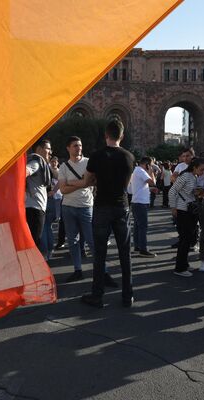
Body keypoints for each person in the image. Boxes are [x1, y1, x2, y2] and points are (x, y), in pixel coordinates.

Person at [79, 120, 135, 308]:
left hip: (102, 206)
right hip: (122, 206)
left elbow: (87, 181)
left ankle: (97, 295)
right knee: (124, 252)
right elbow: (126, 184)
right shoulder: (129, 157)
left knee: (100, 253)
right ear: (122, 136)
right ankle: (128, 296)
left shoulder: (96, 156)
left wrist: (99, 180)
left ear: (106, 135)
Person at [58, 136, 117, 287]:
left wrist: (73, 182)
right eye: (75, 146)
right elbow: (63, 190)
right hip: (68, 207)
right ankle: (77, 270)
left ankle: (103, 272)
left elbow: (93, 181)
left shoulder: (89, 162)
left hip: (86, 206)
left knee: (92, 241)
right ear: (68, 148)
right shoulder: (64, 166)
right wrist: (82, 183)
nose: (78, 148)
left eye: (80, 145)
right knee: (73, 241)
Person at [169, 158, 204, 277]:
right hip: (182, 210)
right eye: (201, 169)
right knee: (185, 239)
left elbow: (188, 193)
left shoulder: (193, 176)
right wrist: (173, 208)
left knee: (188, 238)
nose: (203, 172)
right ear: (194, 167)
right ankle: (180, 268)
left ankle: (184, 264)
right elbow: (172, 191)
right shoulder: (186, 176)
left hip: (189, 210)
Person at [25, 139, 53, 247]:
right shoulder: (36, 162)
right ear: (39, 149)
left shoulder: (41, 164)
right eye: (48, 148)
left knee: (34, 242)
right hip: (34, 209)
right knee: (34, 243)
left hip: (36, 207)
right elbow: (23, 172)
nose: (50, 152)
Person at [130, 157, 158, 258]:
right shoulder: (141, 171)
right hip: (140, 203)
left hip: (138, 201)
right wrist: (151, 171)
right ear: (146, 164)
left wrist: (150, 189)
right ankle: (143, 249)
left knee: (138, 226)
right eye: (150, 165)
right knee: (142, 227)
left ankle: (138, 247)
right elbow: (152, 182)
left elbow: (141, 186)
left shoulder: (137, 170)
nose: (151, 167)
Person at [39, 156, 60, 260]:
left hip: (43, 199)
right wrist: (54, 191)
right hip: (50, 199)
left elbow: (60, 179)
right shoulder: (50, 167)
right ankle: (50, 250)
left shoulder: (41, 165)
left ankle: (45, 252)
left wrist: (54, 191)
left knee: (44, 227)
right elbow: (61, 178)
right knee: (48, 227)